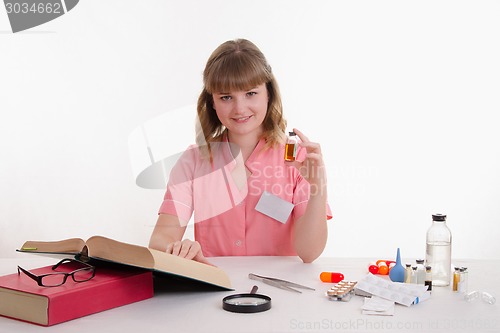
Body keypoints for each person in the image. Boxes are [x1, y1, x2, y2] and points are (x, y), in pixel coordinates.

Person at [149, 38, 332, 264]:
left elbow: (309, 252)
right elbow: (160, 240)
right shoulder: (194, 160)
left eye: (251, 93)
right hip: (215, 287)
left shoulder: (297, 158)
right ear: (212, 102)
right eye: (226, 97)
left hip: (279, 291)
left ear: (268, 94)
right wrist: (177, 249)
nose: (239, 108)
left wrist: (317, 188)